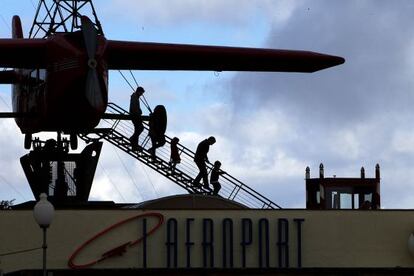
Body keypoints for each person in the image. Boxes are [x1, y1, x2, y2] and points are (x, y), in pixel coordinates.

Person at [129, 87, 145, 151]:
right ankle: (132, 139)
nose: (141, 94)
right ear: (139, 91)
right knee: (140, 128)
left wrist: (139, 111)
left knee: (137, 129)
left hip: (135, 115)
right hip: (135, 116)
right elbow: (134, 107)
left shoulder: (135, 97)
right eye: (141, 93)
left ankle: (134, 146)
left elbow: (135, 106)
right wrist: (138, 112)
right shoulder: (134, 97)